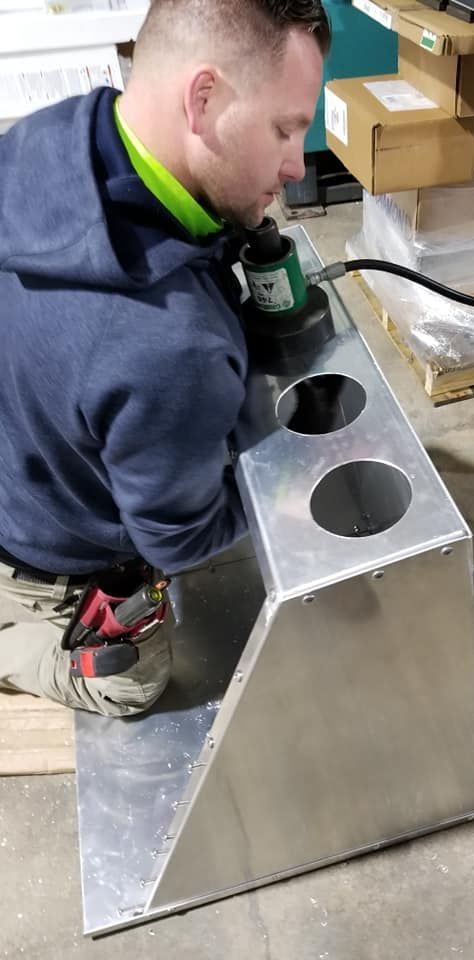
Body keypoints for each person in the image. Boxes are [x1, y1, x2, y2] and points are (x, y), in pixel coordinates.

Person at [0, 0, 329, 715]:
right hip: (48, 560)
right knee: (134, 681)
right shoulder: (171, 345)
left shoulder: (60, 133)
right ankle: (19, 635)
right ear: (203, 97)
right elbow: (179, 541)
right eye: (284, 128)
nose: (296, 166)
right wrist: (284, 481)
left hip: (18, 452)